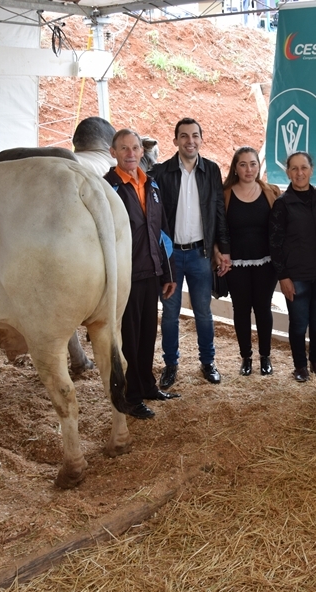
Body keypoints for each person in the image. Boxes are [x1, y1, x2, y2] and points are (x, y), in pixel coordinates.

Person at [103, 129, 179, 419]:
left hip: (151, 273)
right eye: (124, 148)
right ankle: (131, 396)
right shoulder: (107, 188)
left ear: (142, 151)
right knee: (130, 338)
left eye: (135, 148)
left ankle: (147, 385)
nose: (130, 153)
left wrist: (167, 273)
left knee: (148, 333)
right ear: (113, 153)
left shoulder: (152, 185)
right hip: (125, 276)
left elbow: (162, 233)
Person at [150, 118, 230, 389]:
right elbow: (155, 217)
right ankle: (170, 364)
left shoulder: (211, 170)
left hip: (200, 254)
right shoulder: (161, 172)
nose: (190, 141)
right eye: (184, 136)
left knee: (203, 312)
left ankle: (208, 362)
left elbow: (218, 212)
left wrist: (223, 249)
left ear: (201, 140)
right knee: (170, 313)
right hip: (171, 256)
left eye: (195, 135)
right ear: (175, 141)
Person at [269, 152, 316, 382]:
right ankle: (300, 366)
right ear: (288, 172)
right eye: (294, 169)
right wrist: (283, 277)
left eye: (304, 168)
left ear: (311, 170)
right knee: (298, 323)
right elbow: (275, 244)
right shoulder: (282, 204)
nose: (300, 173)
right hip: (296, 275)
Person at [221, 147, 280, 376]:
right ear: (235, 168)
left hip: (266, 263)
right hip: (235, 264)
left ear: (259, 166)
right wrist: (219, 252)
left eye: (253, 164)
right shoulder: (225, 194)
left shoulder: (271, 192)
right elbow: (218, 228)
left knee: (263, 308)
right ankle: (246, 357)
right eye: (243, 164)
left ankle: (265, 356)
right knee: (241, 309)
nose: (249, 169)